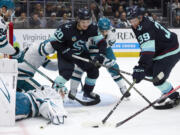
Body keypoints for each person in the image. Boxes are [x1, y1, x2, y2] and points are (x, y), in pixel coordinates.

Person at [42, 8, 107, 105]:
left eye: (88, 21)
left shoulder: (92, 28)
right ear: (78, 20)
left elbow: (102, 42)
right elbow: (54, 41)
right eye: (83, 21)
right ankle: (54, 93)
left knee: (94, 71)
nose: (86, 24)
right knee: (66, 73)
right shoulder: (66, 28)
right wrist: (65, 50)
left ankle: (87, 92)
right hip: (65, 54)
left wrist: (100, 56)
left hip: (80, 52)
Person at [127, 6, 180, 109]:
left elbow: (148, 50)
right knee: (148, 72)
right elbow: (146, 46)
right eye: (130, 21)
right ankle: (167, 92)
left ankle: (174, 97)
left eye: (134, 20)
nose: (132, 23)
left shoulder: (145, 26)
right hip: (159, 51)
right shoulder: (138, 25)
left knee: (157, 79)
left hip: (170, 51)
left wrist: (141, 66)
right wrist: (142, 67)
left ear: (140, 17)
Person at [68, 17, 131, 101]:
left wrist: (104, 60)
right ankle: (73, 92)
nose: (104, 33)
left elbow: (104, 49)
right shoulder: (91, 31)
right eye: (102, 31)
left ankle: (123, 88)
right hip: (87, 50)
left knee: (114, 67)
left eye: (106, 31)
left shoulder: (112, 33)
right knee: (78, 69)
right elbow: (88, 49)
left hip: (104, 49)